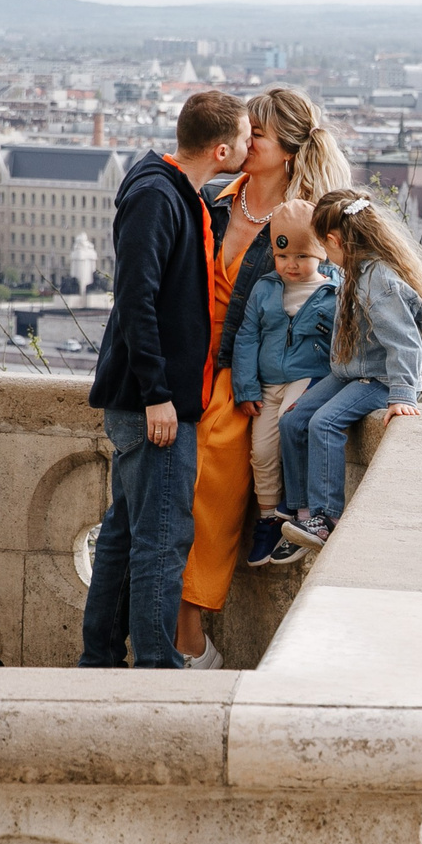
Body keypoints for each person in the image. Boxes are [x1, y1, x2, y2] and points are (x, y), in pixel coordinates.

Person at [176, 87, 351, 660]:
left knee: (214, 460)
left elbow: (343, 302)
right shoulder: (209, 197)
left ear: (290, 152)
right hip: (191, 358)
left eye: (259, 135)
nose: (245, 141)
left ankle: (190, 628)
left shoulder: (307, 225)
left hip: (245, 371)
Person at [79, 90, 250, 669]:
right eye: (247, 139)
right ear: (222, 148)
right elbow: (136, 299)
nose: (251, 148)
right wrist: (158, 396)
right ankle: (156, 671)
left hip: (157, 400)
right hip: (155, 405)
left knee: (126, 536)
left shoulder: (173, 188)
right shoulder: (158, 193)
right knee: (162, 540)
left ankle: (99, 661)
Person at [279, 190, 422, 551]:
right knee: (292, 420)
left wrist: (402, 395)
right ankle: (302, 511)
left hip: (378, 378)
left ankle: (325, 517)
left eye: (324, 245)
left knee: (324, 423)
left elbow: (405, 342)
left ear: (334, 241)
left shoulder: (377, 281)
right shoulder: (353, 269)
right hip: (350, 371)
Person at [231, 199, 338, 568]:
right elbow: (246, 338)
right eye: (283, 256)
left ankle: (293, 512)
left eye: (301, 256)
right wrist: (245, 388)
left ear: (321, 253)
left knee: (288, 428)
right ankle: (267, 520)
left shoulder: (334, 293)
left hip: (307, 378)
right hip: (266, 383)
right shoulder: (265, 289)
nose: (291, 265)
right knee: (260, 451)